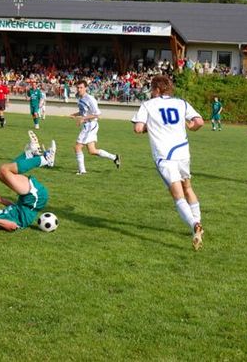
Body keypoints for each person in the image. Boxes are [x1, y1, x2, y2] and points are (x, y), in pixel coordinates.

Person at [131, 75, 205, 251]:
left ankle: (194, 225)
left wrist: (150, 126)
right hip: (183, 152)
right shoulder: (181, 103)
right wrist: (191, 127)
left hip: (165, 155)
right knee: (188, 188)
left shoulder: (148, 105)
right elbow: (199, 122)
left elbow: (138, 128)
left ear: (156, 89)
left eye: (151, 88)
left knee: (177, 195)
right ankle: (198, 224)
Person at [0, 131, 57, 231]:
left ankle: (31, 153)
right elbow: (13, 226)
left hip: (26, 200)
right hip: (34, 200)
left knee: (0, 174)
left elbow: (16, 209)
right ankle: (45, 159)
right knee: (4, 170)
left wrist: (1, 200)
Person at [70, 80, 120, 175]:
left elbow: (97, 114)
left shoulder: (90, 99)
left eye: (81, 87)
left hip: (90, 125)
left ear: (85, 88)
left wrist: (83, 119)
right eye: (78, 87)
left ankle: (82, 171)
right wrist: (75, 114)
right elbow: (84, 112)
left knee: (77, 147)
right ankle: (114, 157)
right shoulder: (80, 98)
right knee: (92, 151)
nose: (79, 89)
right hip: (88, 125)